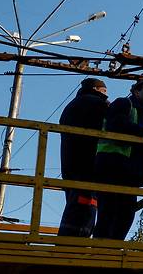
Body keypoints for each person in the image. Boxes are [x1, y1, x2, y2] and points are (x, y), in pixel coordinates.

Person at [93, 80, 143, 240]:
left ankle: (113, 249)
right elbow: (117, 123)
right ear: (136, 92)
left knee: (126, 213)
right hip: (112, 164)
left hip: (128, 171)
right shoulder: (123, 103)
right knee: (108, 211)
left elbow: (137, 144)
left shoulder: (142, 114)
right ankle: (100, 249)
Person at [58, 78, 109, 237]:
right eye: (104, 91)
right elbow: (113, 120)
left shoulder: (71, 106)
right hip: (88, 162)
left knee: (75, 203)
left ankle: (67, 244)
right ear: (96, 89)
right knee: (87, 205)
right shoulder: (97, 103)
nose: (106, 95)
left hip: (70, 163)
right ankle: (74, 247)